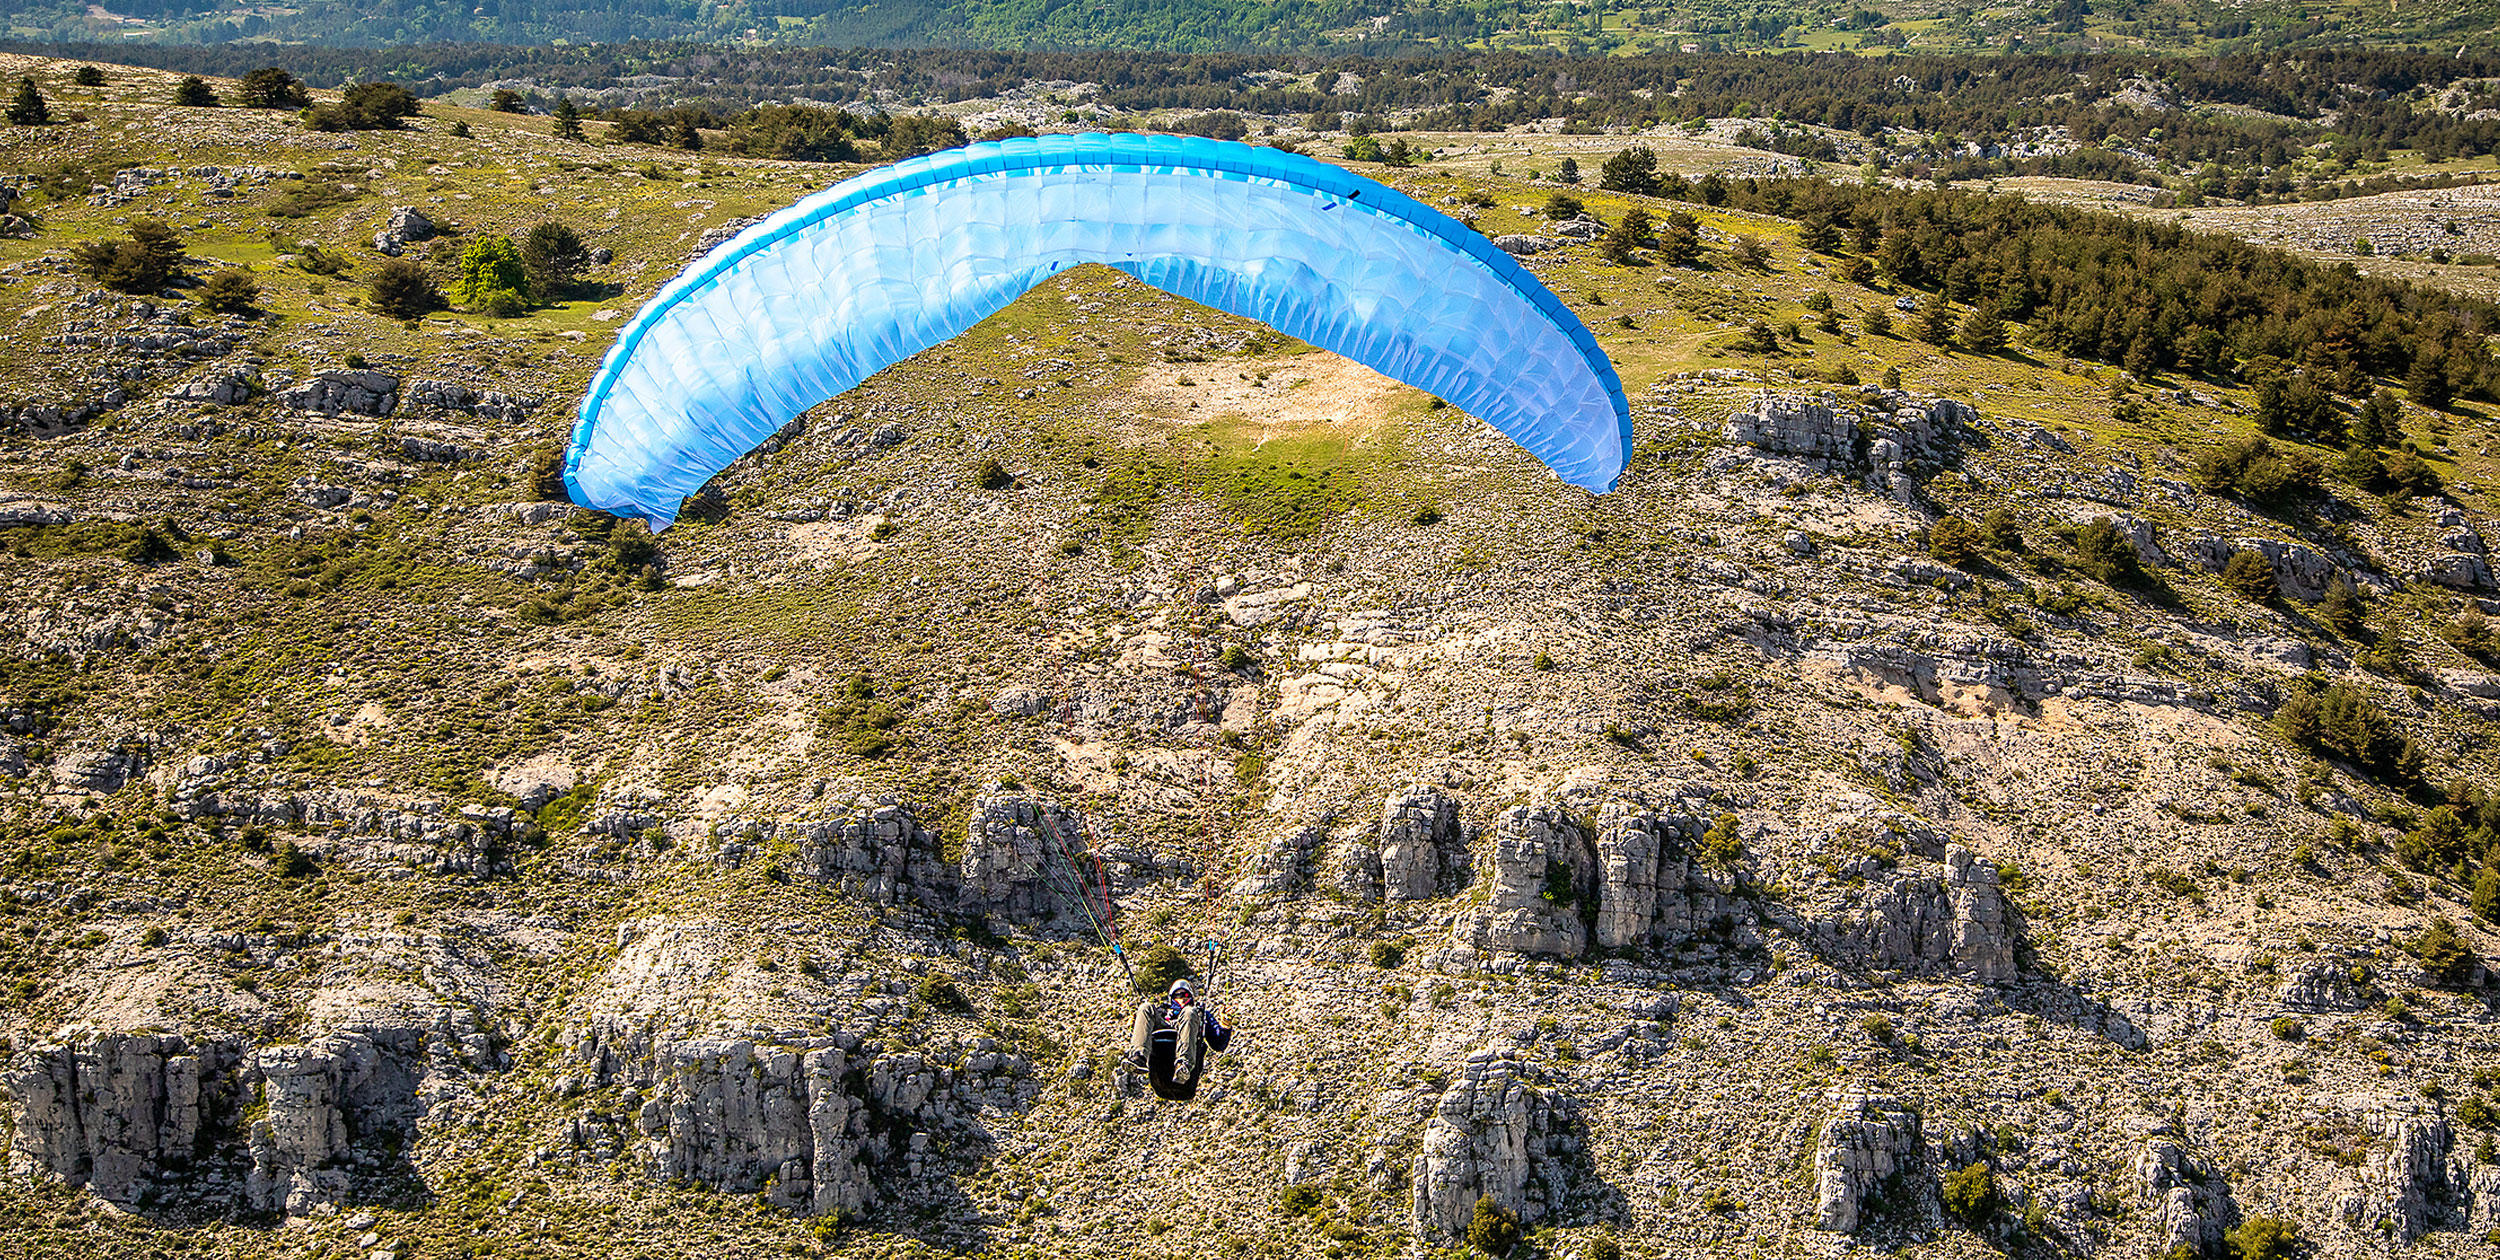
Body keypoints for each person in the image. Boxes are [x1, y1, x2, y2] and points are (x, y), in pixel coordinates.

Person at [1125, 978, 1229, 1097]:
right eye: (1178, 995)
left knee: (1189, 1012)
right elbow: (1144, 1031)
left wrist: (1225, 1025)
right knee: (1145, 1007)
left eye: (1186, 995)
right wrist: (1135, 1024)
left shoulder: (1199, 1014)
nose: (1183, 998)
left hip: (1186, 1078)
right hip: (1160, 1063)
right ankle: (1139, 1058)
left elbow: (1219, 1044)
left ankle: (1184, 1065)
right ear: (1172, 998)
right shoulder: (1161, 1013)